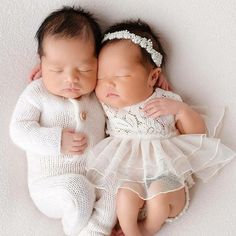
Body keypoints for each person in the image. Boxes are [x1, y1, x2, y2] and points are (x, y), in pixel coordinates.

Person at [86, 20, 236, 236]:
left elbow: (197, 135)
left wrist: (181, 110)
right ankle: (130, 231)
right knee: (125, 195)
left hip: (168, 184)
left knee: (158, 191)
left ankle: (148, 229)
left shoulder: (165, 100)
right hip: (130, 183)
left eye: (122, 76)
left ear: (153, 77)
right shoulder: (105, 104)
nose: (109, 84)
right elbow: (74, 82)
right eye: (102, 77)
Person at [9, 6, 117, 236]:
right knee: (77, 190)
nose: (71, 79)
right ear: (41, 65)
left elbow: (127, 100)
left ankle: (97, 229)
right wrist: (56, 141)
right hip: (52, 187)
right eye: (57, 69)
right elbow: (18, 130)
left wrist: (157, 81)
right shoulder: (37, 92)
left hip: (95, 179)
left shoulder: (98, 95)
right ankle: (76, 231)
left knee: (118, 185)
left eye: (84, 69)